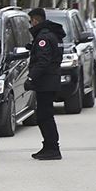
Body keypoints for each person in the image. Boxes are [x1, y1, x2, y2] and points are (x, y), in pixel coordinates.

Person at [26, 8, 64, 160]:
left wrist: (31, 78)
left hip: (46, 82)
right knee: (45, 115)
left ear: (35, 20)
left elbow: (43, 61)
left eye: (31, 21)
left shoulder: (44, 37)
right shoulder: (53, 35)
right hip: (51, 80)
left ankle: (52, 147)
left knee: (44, 116)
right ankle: (49, 145)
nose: (31, 24)